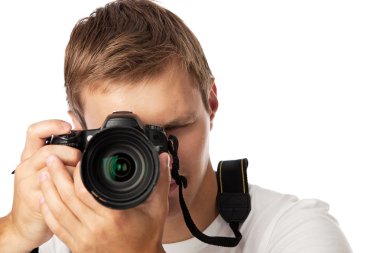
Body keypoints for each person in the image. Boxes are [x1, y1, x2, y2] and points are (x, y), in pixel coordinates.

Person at [0, 0, 352, 252]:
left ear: (211, 104)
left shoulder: (292, 230)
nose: (160, 158)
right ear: (79, 130)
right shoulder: (57, 231)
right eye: (126, 138)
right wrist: (16, 232)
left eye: (173, 130)